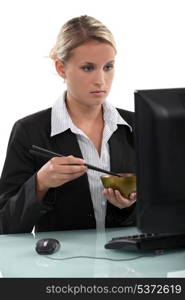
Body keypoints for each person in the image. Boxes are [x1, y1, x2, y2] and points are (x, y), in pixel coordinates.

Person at [0, 15, 136, 234]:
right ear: (61, 68)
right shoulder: (28, 131)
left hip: (129, 265)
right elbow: (5, 224)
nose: (101, 80)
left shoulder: (136, 126)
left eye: (108, 67)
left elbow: (163, 210)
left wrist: (128, 207)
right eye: (88, 68)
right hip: (61, 264)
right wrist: (40, 183)